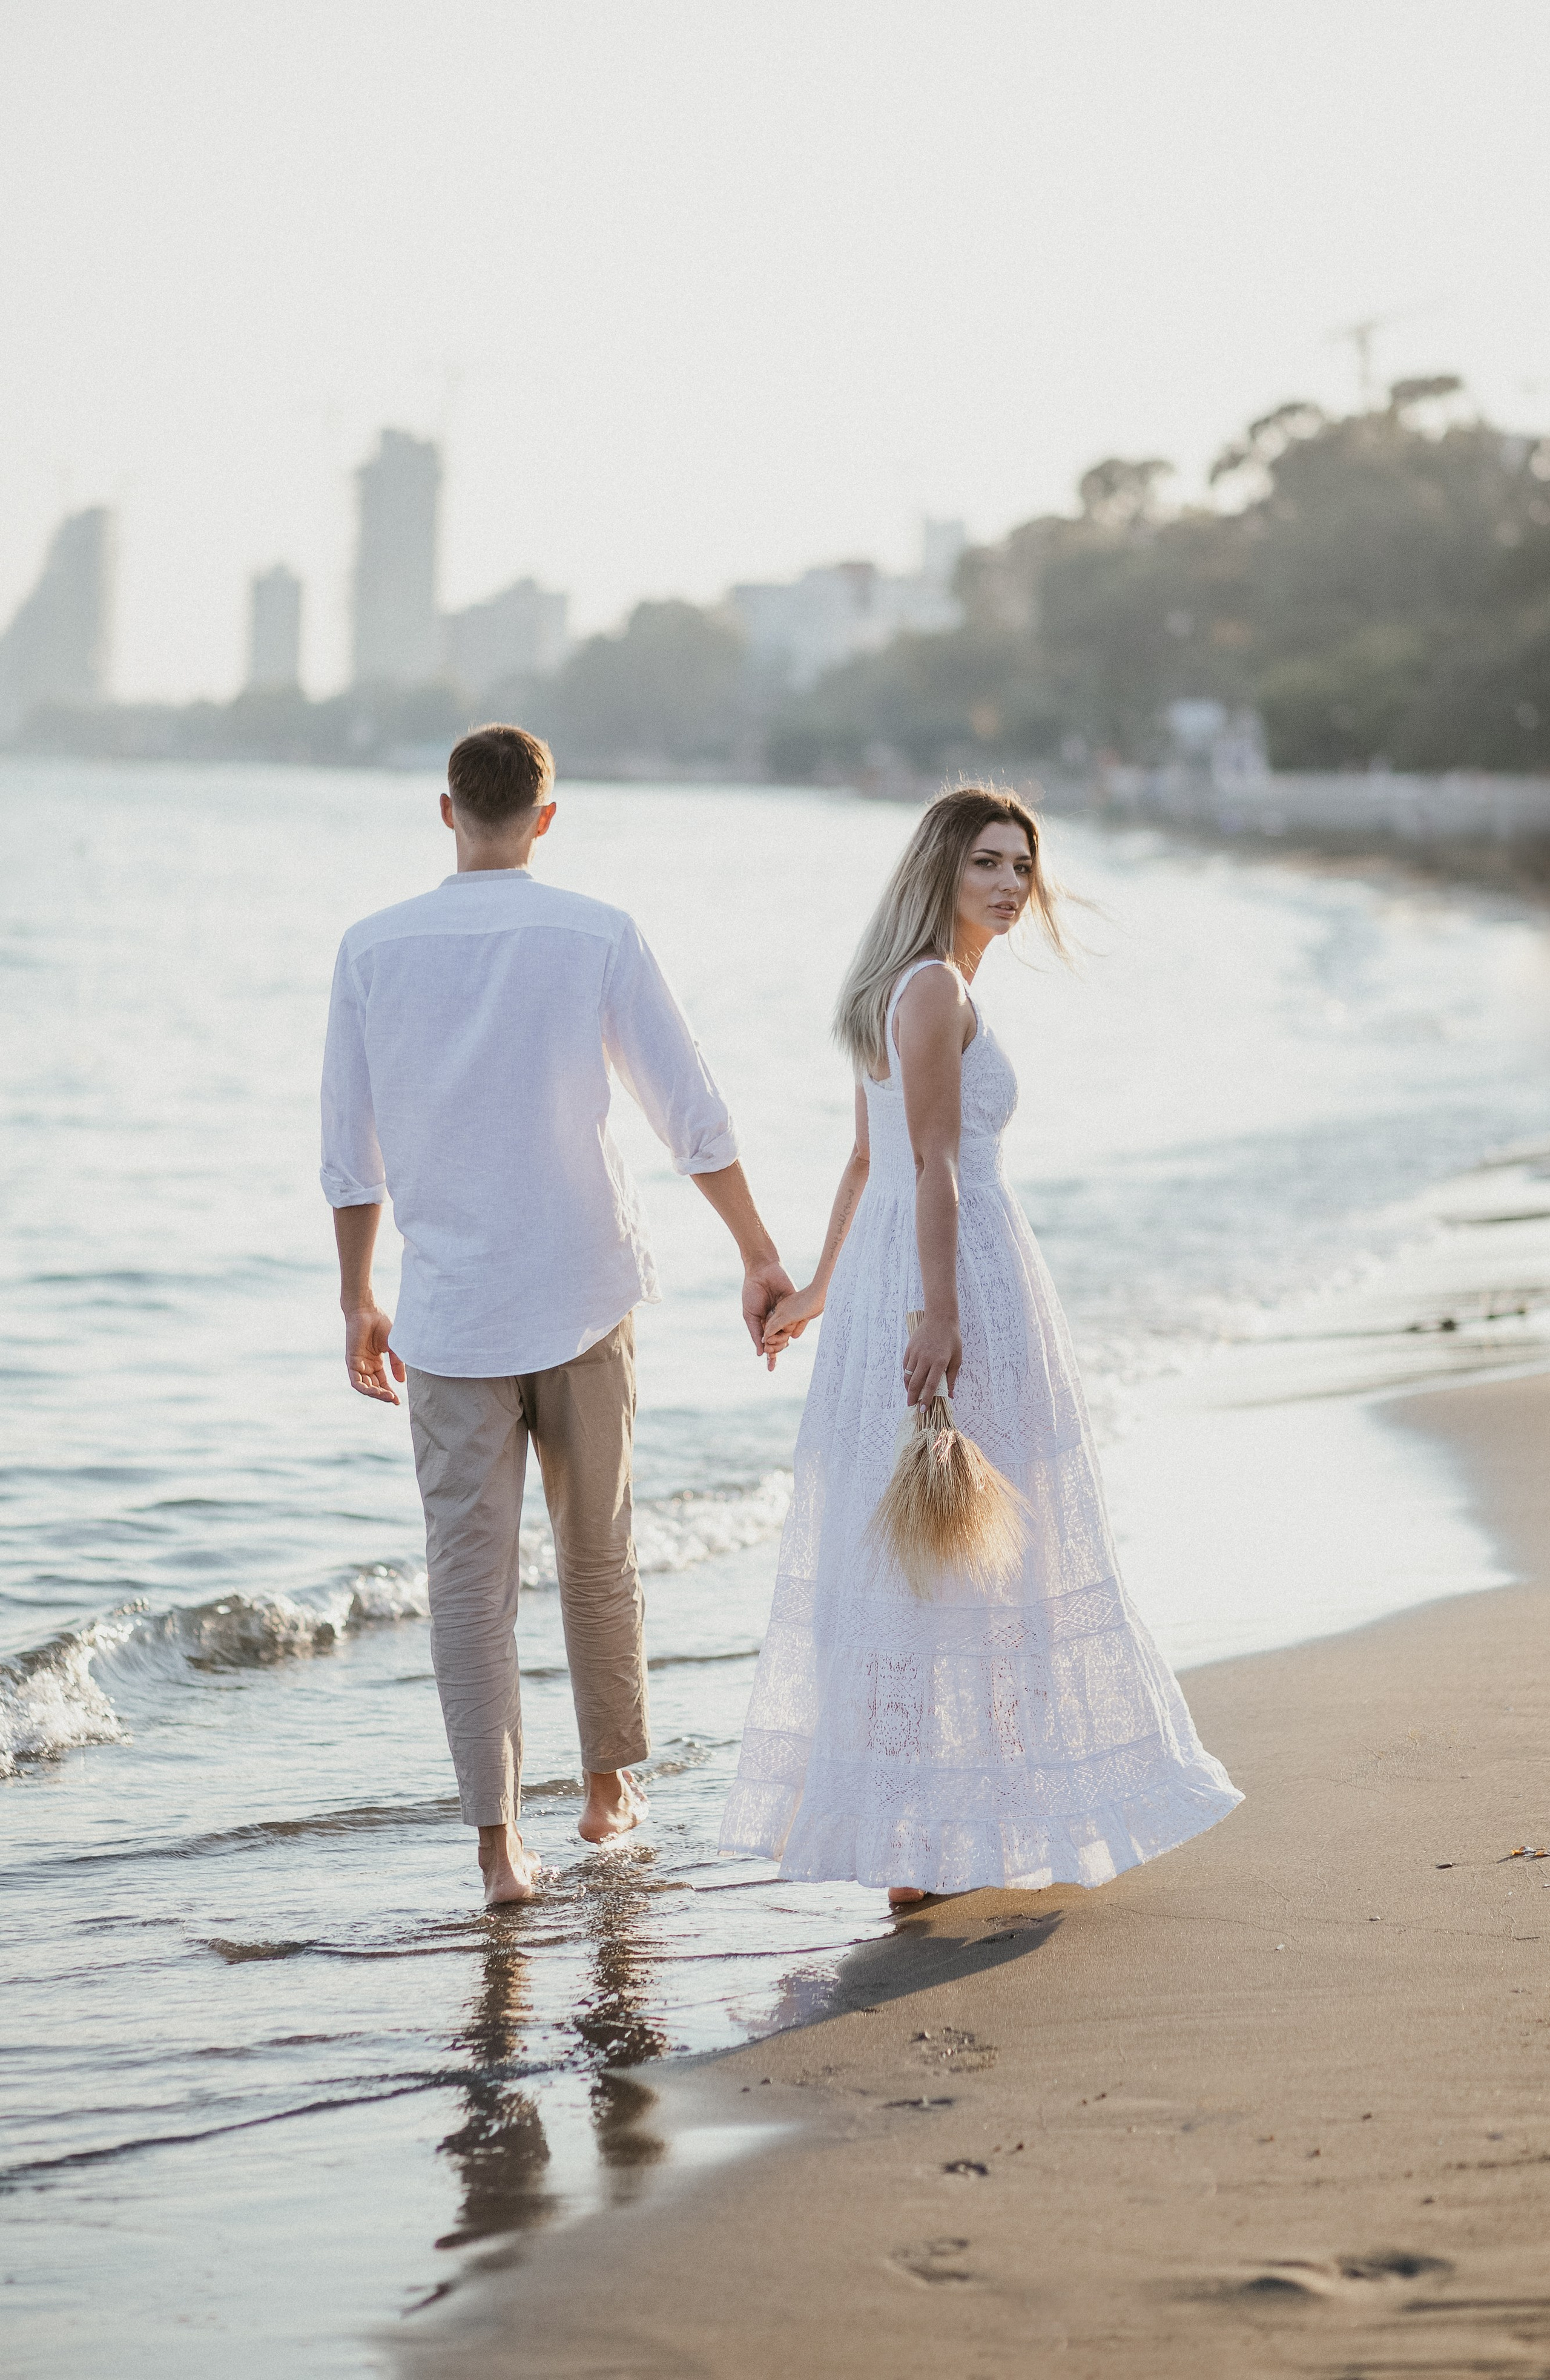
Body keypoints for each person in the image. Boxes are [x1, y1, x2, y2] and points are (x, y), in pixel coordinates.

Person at [721, 785, 1241, 1908]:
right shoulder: (933, 990)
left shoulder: (897, 989)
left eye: (1022, 865)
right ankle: (929, 1843)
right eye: (988, 864)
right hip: (951, 1280)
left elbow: (870, 1165)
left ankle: (942, 1833)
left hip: (905, 1278)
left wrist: (817, 1289)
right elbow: (927, 1167)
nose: (1009, 884)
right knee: (971, 1550)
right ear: (940, 871)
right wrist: (942, 1313)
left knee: (954, 1548)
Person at [320, 725, 793, 1908]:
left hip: (448, 1312)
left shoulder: (369, 949)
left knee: (466, 1579)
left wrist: (354, 1298)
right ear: (545, 815)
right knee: (598, 1551)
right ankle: (605, 1791)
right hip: (584, 1292)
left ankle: (497, 1850)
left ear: (445, 813)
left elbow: (347, 1156)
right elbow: (691, 1113)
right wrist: (756, 1252)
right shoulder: (595, 931)